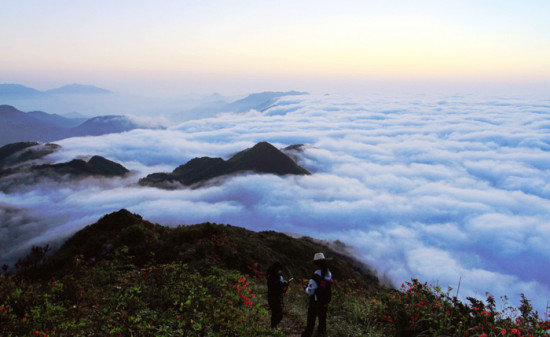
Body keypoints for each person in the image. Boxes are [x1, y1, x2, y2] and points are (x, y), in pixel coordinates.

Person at [302, 253, 333, 337]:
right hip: (325, 302)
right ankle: (321, 334)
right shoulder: (328, 274)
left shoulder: (315, 277)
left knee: (311, 322)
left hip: (315, 303)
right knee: (322, 322)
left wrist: (306, 289)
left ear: (316, 264)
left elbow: (311, 292)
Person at [267, 261, 291, 330]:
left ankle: (274, 326)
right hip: (273, 297)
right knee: (277, 313)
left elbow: (282, 289)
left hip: (278, 297)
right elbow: (275, 286)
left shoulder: (278, 277)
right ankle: (273, 327)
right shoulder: (271, 277)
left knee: (277, 313)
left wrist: (286, 285)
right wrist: (284, 284)